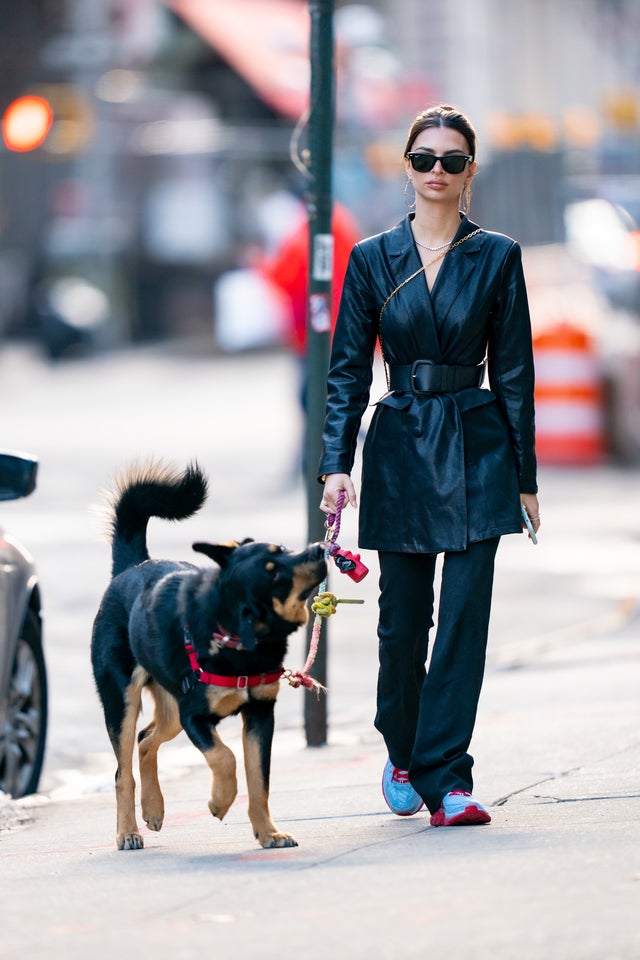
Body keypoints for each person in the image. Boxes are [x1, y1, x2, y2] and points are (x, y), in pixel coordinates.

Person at [317, 103, 540, 827]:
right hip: (402, 444)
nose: (437, 171)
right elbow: (347, 372)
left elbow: (513, 373)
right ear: (405, 167)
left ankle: (450, 780)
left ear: (471, 169)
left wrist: (526, 476)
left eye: (451, 160)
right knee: (402, 623)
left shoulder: (498, 256)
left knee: (465, 620)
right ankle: (404, 746)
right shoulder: (371, 259)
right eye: (424, 159)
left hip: (478, 444)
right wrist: (334, 465)